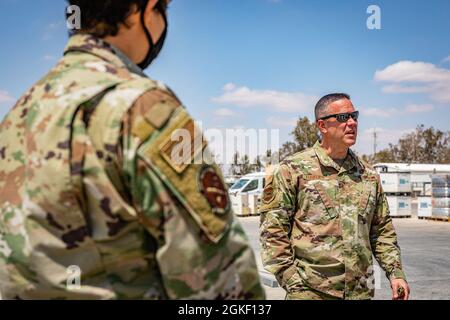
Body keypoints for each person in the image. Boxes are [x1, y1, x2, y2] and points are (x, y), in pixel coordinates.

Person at [0, 0, 265, 300]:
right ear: (146, 8)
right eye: (163, 11)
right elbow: (216, 277)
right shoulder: (143, 107)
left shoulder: (17, 115)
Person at [260, 93, 410, 300]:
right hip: (311, 292)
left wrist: (395, 274)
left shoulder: (368, 175)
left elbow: (382, 230)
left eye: (354, 116)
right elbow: (272, 232)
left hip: (360, 292)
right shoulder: (292, 170)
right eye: (343, 117)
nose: (352, 123)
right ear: (322, 126)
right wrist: (294, 284)